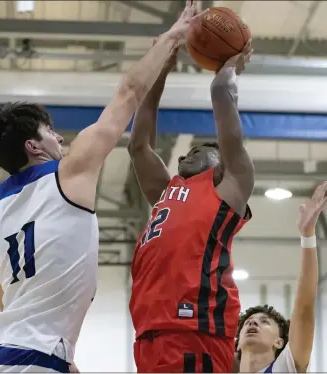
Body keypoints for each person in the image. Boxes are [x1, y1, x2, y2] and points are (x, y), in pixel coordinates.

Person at [0, 2, 206, 372]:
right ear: (33, 147)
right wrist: (173, 35)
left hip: (4, 355)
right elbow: (128, 92)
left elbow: (6, 300)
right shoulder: (67, 173)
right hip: (31, 357)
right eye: (49, 132)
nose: (60, 138)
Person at [128, 38, 254, 372]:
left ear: (222, 163)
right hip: (150, 333)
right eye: (186, 152)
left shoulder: (230, 187)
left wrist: (226, 71)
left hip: (196, 330)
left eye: (203, 149)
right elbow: (138, 146)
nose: (187, 153)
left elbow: (224, 103)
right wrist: (160, 73)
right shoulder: (167, 190)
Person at [235, 182, 327, 373]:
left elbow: (304, 309)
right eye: (248, 322)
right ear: (236, 343)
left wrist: (308, 236)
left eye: (264, 321)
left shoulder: (284, 368)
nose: (253, 323)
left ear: (279, 342)